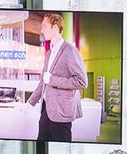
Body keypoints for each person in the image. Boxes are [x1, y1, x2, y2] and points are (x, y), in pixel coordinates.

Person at [27, 13, 88, 142]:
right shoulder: (49, 53)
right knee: (41, 146)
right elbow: (43, 82)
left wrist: (52, 79)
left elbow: (81, 81)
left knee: (62, 149)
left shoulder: (70, 51)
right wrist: (30, 103)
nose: (41, 30)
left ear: (55, 28)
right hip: (45, 110)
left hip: (61, 112)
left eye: (44, 26)